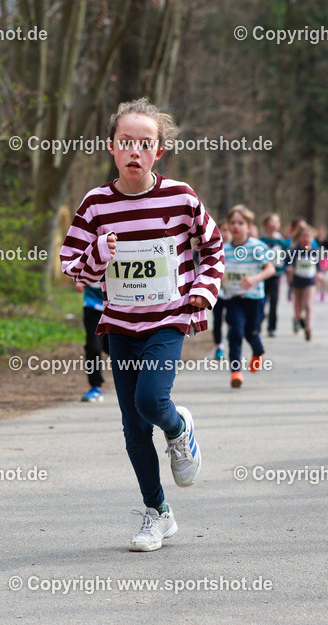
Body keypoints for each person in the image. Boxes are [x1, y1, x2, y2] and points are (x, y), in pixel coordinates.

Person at [60, 98, 223, 552]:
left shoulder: (181, 197)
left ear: (159, 151)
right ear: (112, 148)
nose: (135, 150)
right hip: (118, 324)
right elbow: (71, 266)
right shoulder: (96, 205)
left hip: (167, 320)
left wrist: (202, 294)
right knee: (133, 428)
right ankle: (158, 514)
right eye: (125, 142)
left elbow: (213, 248)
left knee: (153, 401)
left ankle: (178, 428)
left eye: (144, 143)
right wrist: (99, 255)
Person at [220, 205, 275, 389]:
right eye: (232, 223)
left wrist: (255, 278)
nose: (236, 227)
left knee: (251, 333)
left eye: (240, 223)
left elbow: (270, 269)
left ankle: (258, 352)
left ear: (249, 227)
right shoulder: (223, 249)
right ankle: (236, 372)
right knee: (235, 333)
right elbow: (219, 272)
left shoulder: (256, 247)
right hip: (234, 298)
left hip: (254, 299)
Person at [78, 282, 109, 401]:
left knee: (114, 346)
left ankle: (139, 376)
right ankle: (96, 387)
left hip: (117, 307)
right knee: (93, 346)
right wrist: (79, 279)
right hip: (92, 305)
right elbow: (77, 264)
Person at [286, 225, 319, 340]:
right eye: (303, 236)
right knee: (299, 307)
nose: (306, 238)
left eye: (308, 236)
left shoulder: (315, 252)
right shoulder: (295, 252)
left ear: (312, 238)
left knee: (308, 305)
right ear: (299, 238)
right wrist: (289, 269)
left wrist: (320, 274)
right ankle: (297, 319)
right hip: (297, 282)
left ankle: (308, 328)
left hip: (310, 282)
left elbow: (319, 267)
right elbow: (287, 264)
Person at [259, 213, 287, 337]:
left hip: (276, 275)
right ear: (266, 224)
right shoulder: (260, 241)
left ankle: (272, 328)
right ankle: (257, 325)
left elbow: (288, 258)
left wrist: (287, 269)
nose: (274, 224)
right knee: (261, 301)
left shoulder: (282, 242)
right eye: (272, 221)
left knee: (274, 302)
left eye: (277, 222)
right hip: (262, 275)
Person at [211, 222, 231, 360]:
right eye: (223, 230)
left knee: (231, 319)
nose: (226, 233)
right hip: (217, 293)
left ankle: (232, 332)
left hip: (233, 294)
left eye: (229, 230)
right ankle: (219, 347)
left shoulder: (239, 250)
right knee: (217, 321)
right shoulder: (214, 249)